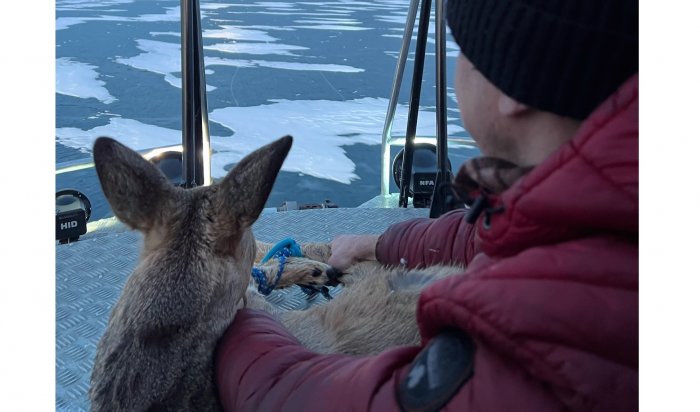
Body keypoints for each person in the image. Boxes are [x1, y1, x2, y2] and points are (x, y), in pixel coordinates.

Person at [215, 0, 638, 410]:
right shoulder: (608, 198)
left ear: (516, 88)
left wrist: (238, 314)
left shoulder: (554, 340)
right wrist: (379, 244)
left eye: (466, 52)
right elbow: (488, 232)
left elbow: (310, 402)